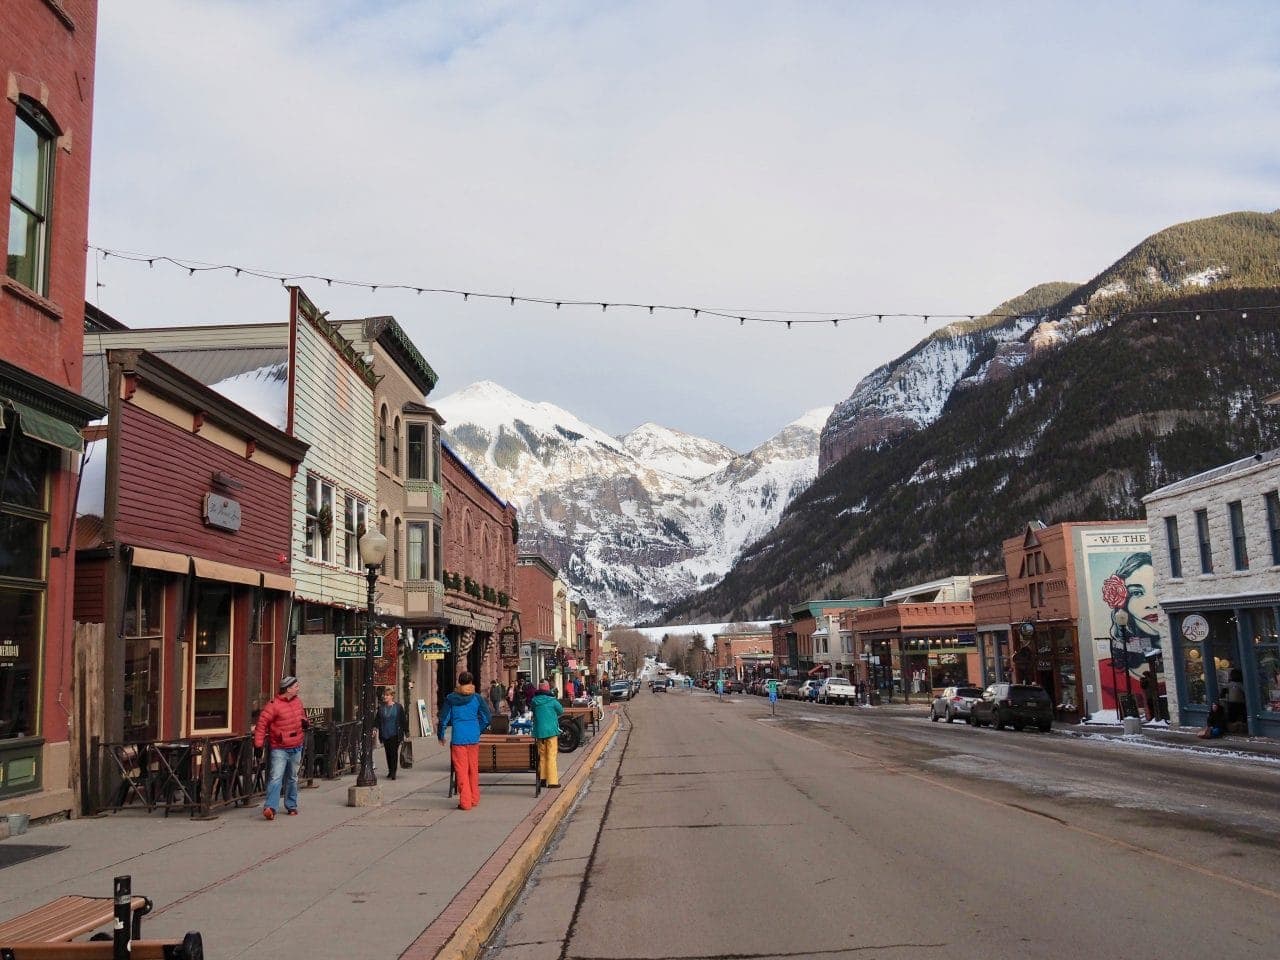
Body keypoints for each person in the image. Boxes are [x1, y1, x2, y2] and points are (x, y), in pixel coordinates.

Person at [254, 675, 308, 820]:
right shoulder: (273, 705)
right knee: (276, 777)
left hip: (296, 745)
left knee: (292, 777)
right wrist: (258, 745)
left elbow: (301, 716)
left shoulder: (298, 702)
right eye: (296, 686)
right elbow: (261, 725)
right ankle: (270, 807)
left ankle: (291, 805)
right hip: (280, 747)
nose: (298, 688)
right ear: (288, 688)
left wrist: (304, 722)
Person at [438, 671, 491, 810]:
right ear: (471, 682)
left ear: (459, 682)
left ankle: (465, 801)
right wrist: (478, 729)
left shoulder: (451, 699)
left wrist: (441, 735)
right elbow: (487, 718)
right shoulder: (477, 698)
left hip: (459, 737)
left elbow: (443, 719)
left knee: (461, 770)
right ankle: (474, 798)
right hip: (473, 737)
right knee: (473, 769)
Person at [530, 680, 564, 789]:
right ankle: (553, 781)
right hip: (551, 732)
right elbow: (560, 711)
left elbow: (533, 712)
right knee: (551, 756)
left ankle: (543, 779)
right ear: (548, 689)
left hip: (540, 732)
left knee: (542, 756)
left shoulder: (534, 701)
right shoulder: (552, 701)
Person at [376, 686, 409, 780]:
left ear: (391, 696)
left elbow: (403, 720)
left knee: (394, 752)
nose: (385, 697)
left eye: (387, 695)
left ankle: (394, 771)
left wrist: (406, 732)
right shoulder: (381, 707)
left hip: (395, 733)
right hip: (385, 733)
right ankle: (390, 770)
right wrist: (375, 728)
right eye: (384, 695)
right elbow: (377, 719)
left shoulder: (398, 707)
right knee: (388, 753)